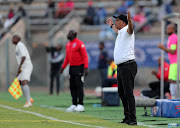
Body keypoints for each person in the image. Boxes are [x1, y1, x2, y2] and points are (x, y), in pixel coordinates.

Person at [106, 11, 137, 125]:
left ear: (124, 23)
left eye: (117, 20)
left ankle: (133, 119)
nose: (116, 22)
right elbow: (118, 31)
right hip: (122, 67)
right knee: (122, 93)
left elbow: (131, 29)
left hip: (128, 65)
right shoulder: (121, 32)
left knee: (128, 93)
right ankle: (127, 117)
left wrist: (130, 21)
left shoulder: (128, 30)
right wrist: (111, 26)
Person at [60, 30, 88, 112]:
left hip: (79, 67)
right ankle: (74, 104)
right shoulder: (68, 44)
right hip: (71, 68)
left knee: (79, 85)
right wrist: (63, 67)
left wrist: (85, 68)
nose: (68, 34)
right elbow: (67, 58)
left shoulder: (79, 43)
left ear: (74, 35)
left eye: (70, 33)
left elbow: (85, 56)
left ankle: (81, 104)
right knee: (72, 86)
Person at [158, 24, 179, 99]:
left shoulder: (173, 37)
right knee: (174, 80)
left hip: (176, 62)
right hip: (174, 62)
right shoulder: (171, 37)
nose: (167, 30)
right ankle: (174, 96)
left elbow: (173, 51)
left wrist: (163, 48)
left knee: (173, 80)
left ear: (173, 30)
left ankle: (175, 97)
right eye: (167, 29)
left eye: (169, 29)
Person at [12, 35, 33, 107]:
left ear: (18, 39)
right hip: (23, 67)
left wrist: (20, 67)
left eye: (14, 38)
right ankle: (29, 99)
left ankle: (29, 102)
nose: (13, 39)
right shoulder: (18, 46)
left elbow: (23, 56)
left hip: (26, 66)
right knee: (18, 83)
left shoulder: (20, 45)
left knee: (24, 82)